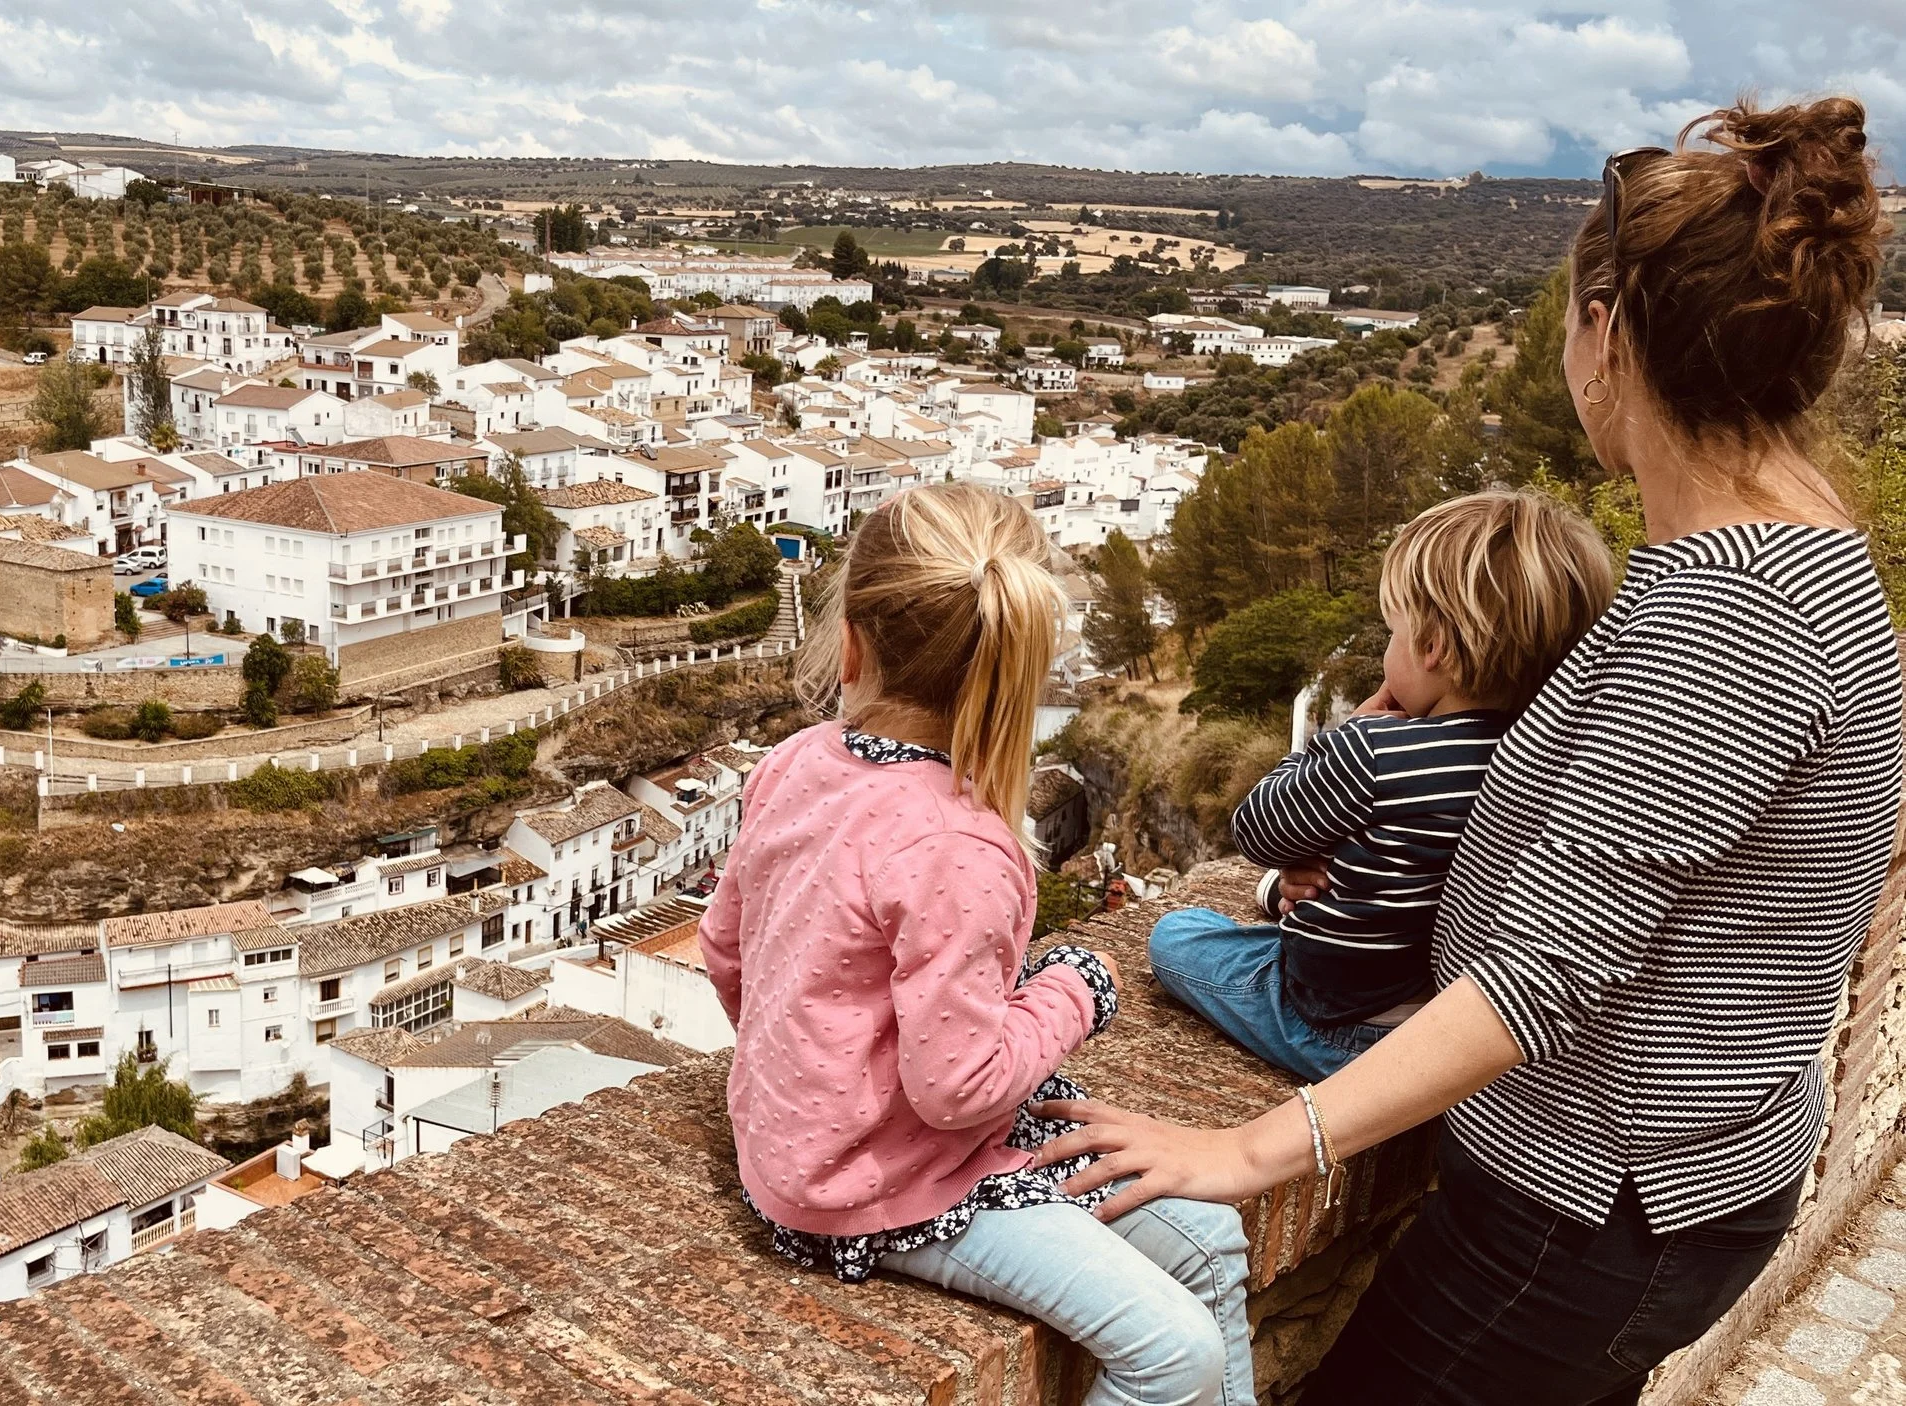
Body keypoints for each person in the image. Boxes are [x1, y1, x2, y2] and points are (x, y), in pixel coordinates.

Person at [1034, 95, 1903, 1406]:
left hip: (1593, 1206)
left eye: (1568, 321)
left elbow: (1547, 975)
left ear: (1605, 332)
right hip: (1669, 1178)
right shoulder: (1809, 555)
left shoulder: (1732, 621)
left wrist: (1254, 1151)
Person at [698, 482, 1255, 1406]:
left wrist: (806, 1076)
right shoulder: (960, 843)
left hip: (808, 1148)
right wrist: (1076, 990)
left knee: (1211, 1241)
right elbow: (957, 1088)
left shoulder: (794, 762)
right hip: (886, 1187)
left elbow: (729, 954)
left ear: (851, 643)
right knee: (1175, 1355)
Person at [1148, 491, 1614, 1081]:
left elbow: (1258, 829)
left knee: (1177, 932)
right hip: (1451, 1026)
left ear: (1432, 649)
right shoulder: (1558, 755)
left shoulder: (1375, 750)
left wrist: (1347, 732)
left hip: (1338, 1025)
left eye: (1392, 631)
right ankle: (1282, 899)